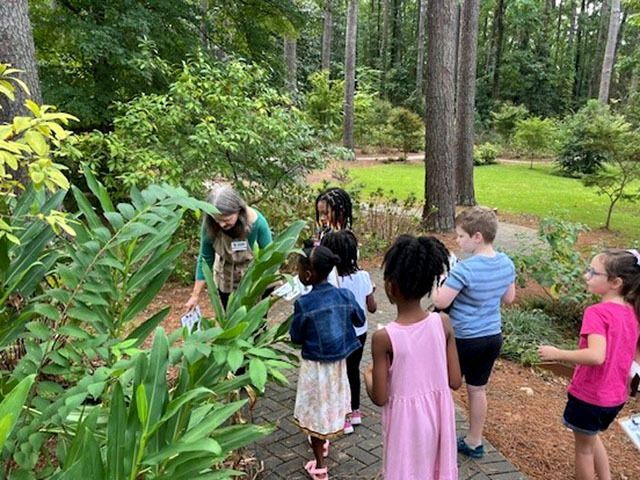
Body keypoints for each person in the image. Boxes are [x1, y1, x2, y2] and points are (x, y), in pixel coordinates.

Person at [364, 235, 462, 480]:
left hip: (405, 427)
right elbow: (455, 381)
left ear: (390, 286)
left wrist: (367, 377)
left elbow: (380, 396)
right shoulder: (443, 323)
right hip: (439, 419)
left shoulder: (384, 338)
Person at [539, 249, 640, 480]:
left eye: (593, 272)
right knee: (592, 437)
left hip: (590, 396)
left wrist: (557, 353)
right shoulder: (632, 311)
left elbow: (596, 356)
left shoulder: (597, 313)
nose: (586, 276)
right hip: (615, 397)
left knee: (583, 450)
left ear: (615, 282)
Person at [432, 207, 516, 459]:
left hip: (463, 339)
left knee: (445, 387)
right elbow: (509, 298)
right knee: (477, 390)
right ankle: (474, 441)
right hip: (492, 337)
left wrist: (439, 281)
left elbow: (441, 301)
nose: (457, 241)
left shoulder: (464, 270)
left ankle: (440, 439)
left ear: (477, 236)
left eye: (460, 236)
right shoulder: (506, 263)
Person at [290, 243, 365, 480]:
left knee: (315, 413)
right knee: (330, 406)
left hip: (315, 367)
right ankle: (323, 442)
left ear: (309, 274)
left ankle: (320, 466)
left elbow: (296, 337)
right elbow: (359, 317)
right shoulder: (344, 294)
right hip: (338, 365)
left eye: (299, 269)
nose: (298, 273)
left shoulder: (304, 303)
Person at [321, 230, 377, 434]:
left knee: (338, 373)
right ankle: (355, 411)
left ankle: (342, 417)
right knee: (352, 370)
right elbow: (372, 307)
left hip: (335, 333)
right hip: (359, 333)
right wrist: (371, 292)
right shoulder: (363, 276)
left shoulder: (328, 281)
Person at [184, 184, 272, 311]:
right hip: (226, 278)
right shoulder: (209, 225)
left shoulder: (257, 223)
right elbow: (205, 259)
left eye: (227, 219)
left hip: (254, 279)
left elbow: (270, 255)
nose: (221, 224)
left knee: (255, 324)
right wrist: (195, 295)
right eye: (217, 220)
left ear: (238, 211)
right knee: (230, 318)